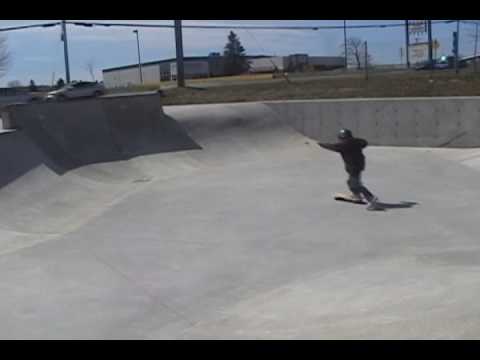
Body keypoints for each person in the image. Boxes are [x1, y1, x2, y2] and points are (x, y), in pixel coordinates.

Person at [318, 129, 380, 210]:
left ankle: (371, 198)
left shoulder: (343, 146)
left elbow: (332, 147)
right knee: (351, 182)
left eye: (341, 138)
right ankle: (357, 196)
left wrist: (320, 144)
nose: (340, 140)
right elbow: (364, 142)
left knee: (356, 184)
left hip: (354, 167)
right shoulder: (356, 142)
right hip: (359, 165)